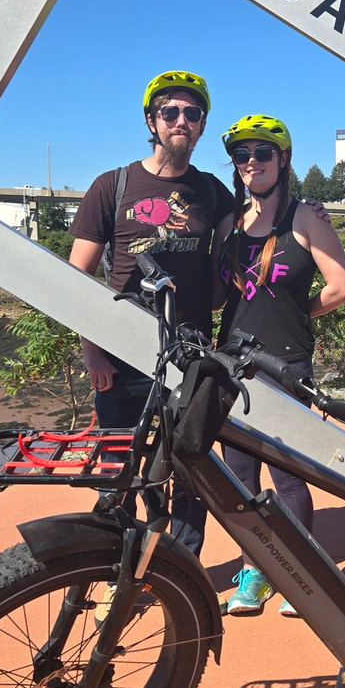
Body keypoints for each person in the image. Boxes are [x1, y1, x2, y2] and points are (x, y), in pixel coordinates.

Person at [69, 70, 231, 556]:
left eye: (192, 113)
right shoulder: (112, 186)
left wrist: (307, 211)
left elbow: (259, 227)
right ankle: (111, 567)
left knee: (188, 471)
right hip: (123, 354)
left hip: (190, 354)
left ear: (202, 126)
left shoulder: (213, 192)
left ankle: (179, 569)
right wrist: (92, 352)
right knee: (117, 470)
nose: (181, 120)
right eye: (170, 111)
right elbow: (77, 279)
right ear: (151, 120)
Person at [212, 114, 345, 617]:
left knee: (287, 475)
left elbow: (340, 287)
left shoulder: (305, 217)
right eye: (241, 154)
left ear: (283, 159)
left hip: (286, 363)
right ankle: (255, 569)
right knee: (238, 476)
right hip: (231, 362)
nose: (251, 162)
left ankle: (301, 569)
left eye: (262, 153)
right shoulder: (228, 223)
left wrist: (299, 313)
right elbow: (217, 297)